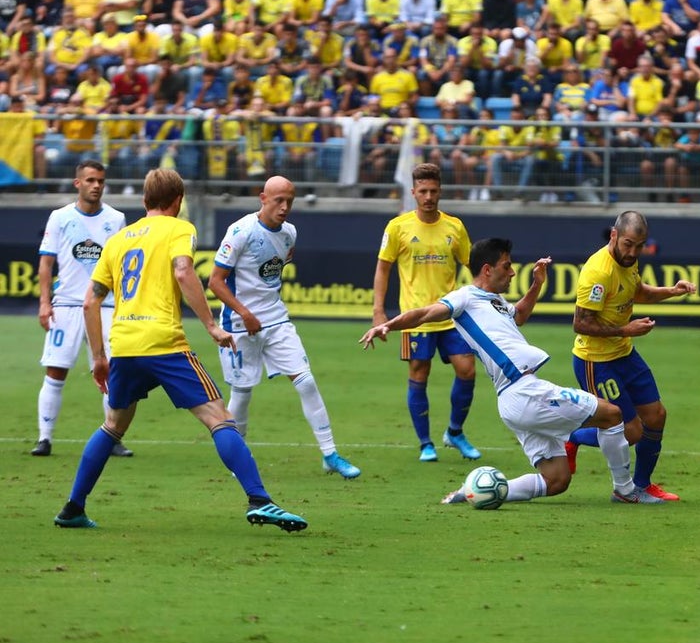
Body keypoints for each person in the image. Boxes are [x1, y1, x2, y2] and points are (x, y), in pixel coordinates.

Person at [52, 169, 308, 532]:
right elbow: (184, 271)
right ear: (178, 202)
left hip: (124, 344)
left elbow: (90, 303)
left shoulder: (119, 239)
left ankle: (72, 508)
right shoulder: (179, 229)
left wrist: (98, 357)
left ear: (144, 201)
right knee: (219, 417)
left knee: (112, 425)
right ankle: (260, 500)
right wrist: (211, 325)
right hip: (164, 342)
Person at [361, 238, 657, 504]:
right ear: (487, 269)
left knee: (556, 481)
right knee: (613, 415)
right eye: (507, 266)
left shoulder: (497, 302)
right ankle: (625, 489)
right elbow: (425, 313)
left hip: (514, 398)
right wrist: (387, 323)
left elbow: (521, 315)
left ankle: (473, 492)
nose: (512, 272)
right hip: (524, 391)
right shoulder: (465, 297)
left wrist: (537, 284)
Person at [206, 177, 361, 480]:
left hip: (276, 320)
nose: (285, 207)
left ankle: (330, 454)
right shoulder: (241, 231)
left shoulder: (290, 232)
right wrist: (245, 312)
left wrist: (262, 307)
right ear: (263, 198)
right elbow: (214, 280)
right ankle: (240, 462)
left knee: (306, 381)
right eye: (278, 200)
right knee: (243, 391)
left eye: (290, 200)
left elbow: (274, 270)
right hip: (239, 324)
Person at [564, 211, 697, 502]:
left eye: (639, 245)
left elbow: (638, 292)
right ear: (614, 235)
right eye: (628, 244)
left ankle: (641, 485)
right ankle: (572, 436)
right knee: (631, 431)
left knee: (656, 416)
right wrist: (627, 329)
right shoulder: (598, 272)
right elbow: (581, 323)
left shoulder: (629, 260)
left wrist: (672, 291)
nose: (633, 252)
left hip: (624, 354)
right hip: (595, 361)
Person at [374, 162, 480, 462]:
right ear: (413, 192)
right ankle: (425, 443)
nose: (429, 196)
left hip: (449, 315)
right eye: (423, 191)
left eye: (433, 191)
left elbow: (472, 268)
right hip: (416, 318)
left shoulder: (454, 227)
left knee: (467, 370)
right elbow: (383, 269)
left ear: (440, 191)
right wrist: (378, 311)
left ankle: (455, 432)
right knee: (419, 373)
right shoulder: (398, 227)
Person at [33, 161, 134, 458]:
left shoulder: (116, 219)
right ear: (78, 183)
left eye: (100, 180)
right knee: (55, 370)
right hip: (65, 305)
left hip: (105, 307)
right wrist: (44, 302)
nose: (96, 185)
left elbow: (123, 266)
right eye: (90, 180)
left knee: (111, 373)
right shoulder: (60, 217)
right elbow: (46, 263)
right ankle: (45, 438)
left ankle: (113, 437)